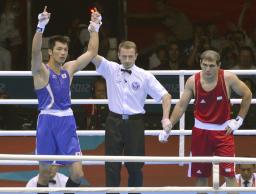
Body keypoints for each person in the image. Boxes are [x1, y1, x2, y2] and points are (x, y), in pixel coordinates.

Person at [159, 50, 252, 194]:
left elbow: (247, 94)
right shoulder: (192, 81)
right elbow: (182, 105)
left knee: (229, 175)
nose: (208, 69)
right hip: (201, 133)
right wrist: (169, 125)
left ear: (219, 65)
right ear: (200, 63)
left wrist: (239, 119)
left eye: (212, 66)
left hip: (224, 132)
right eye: (205, 65)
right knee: (201, 176)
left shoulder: (228, 78)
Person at [31, 6, 101, 194]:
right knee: (45, 174)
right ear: (50, 52)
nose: (63, 53)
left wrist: (95, 27)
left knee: (78, 173)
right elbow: (35, 53)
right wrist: (40, 27)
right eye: (59, 49)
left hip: (67, 123)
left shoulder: (68, 69)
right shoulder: (41, 72)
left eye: (65, 49)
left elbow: (92, 52)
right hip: (47, 122)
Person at [91, 40, 172, 194]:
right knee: (111, 165)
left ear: (136, 56)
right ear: (118, 56)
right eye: (124, 56)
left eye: (130, 56)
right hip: (113, 121)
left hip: (135, 123)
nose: (127, 60)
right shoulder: (110, 68)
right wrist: (94, 28)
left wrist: (165, 118)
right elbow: (92, 54)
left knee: (135, 165)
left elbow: (166, 96)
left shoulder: (144, 75)